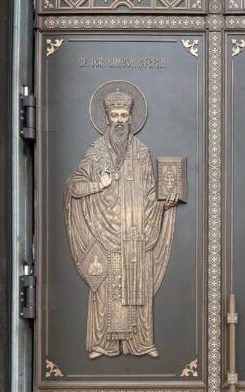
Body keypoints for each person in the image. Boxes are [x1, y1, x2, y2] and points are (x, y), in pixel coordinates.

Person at [64, 88, 179, 359]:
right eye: (114, 115)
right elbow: (73, 187)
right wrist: (98, 184)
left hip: (135, 232)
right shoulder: (96, 153)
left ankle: (141, 343)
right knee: (107, 286)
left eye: (123, 115)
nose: (119, 120)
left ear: (130, 118)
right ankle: (103, 343)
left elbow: (151, 192)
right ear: (106, 119)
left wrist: (165, 203)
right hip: (104, 232)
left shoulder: (141, 152)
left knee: (137, 287)